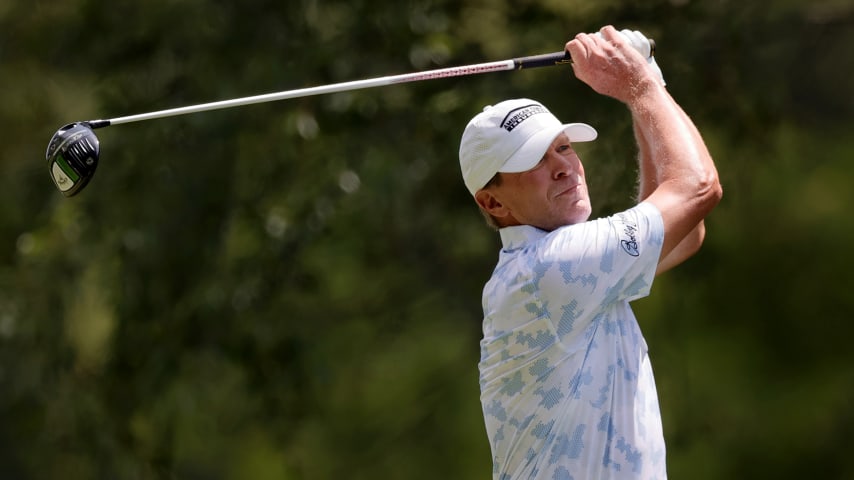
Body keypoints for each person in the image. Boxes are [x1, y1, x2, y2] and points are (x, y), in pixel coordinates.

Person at [458, 26, 722, 479]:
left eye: (562, 147)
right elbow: (698, 188)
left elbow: (686, 231)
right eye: (533, 161)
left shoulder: (571, 274)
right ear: (493, 203)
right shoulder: (550, 268)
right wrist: (640, 86)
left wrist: (647, 82)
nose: (562, 166)